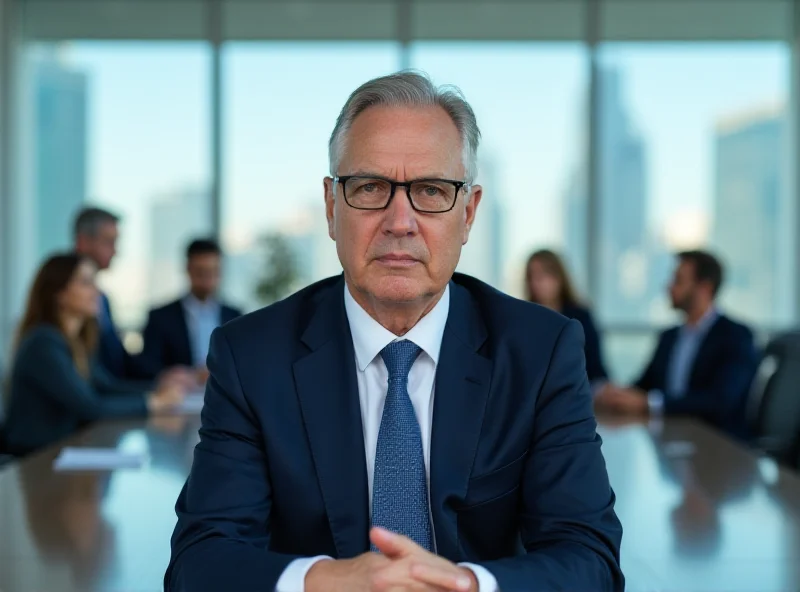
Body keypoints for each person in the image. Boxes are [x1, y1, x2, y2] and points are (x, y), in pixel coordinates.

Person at [166, 72, 623, 591]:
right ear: (332, 207)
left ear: (468, 213)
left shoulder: (540, 351)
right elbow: (198, 564)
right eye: (370, 188)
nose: (400, 221)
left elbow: (590, 561)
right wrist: (323, 582)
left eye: (431, 190)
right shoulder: (251, 357)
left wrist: (465, 586)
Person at [1, 253, 186, 457]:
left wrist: (158, 388)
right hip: (33, 462)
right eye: (86, 283)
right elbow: (91, 406)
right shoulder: (43, 343)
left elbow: (107, 386)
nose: (96, 291)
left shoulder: (75, 342)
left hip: (60, 453)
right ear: (59, 293)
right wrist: (152, 403)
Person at [595, 250, 758, 439]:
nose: (669, 287)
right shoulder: (669, 336)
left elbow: (721, 401)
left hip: (718, 444)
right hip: (667, 437)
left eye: (678, 280)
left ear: (704, 288)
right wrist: (617, 394)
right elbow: (645, 385)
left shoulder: (736, 336)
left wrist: (650, 404)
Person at [138, 239, 242, 383]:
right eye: (201, 272)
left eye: (213, 272)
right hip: (179, 398)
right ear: (188, 269)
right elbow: (147, 367)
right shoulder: (160, 317)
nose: (207, 280)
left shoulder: (235, 316)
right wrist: (185, 375)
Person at [525, 249, 609, 385]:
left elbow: (596, 367)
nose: (536, 282)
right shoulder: (524, 318)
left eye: (543, 275)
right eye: (531, 276)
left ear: (559, 277)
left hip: (579, 390)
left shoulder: (580, 317)